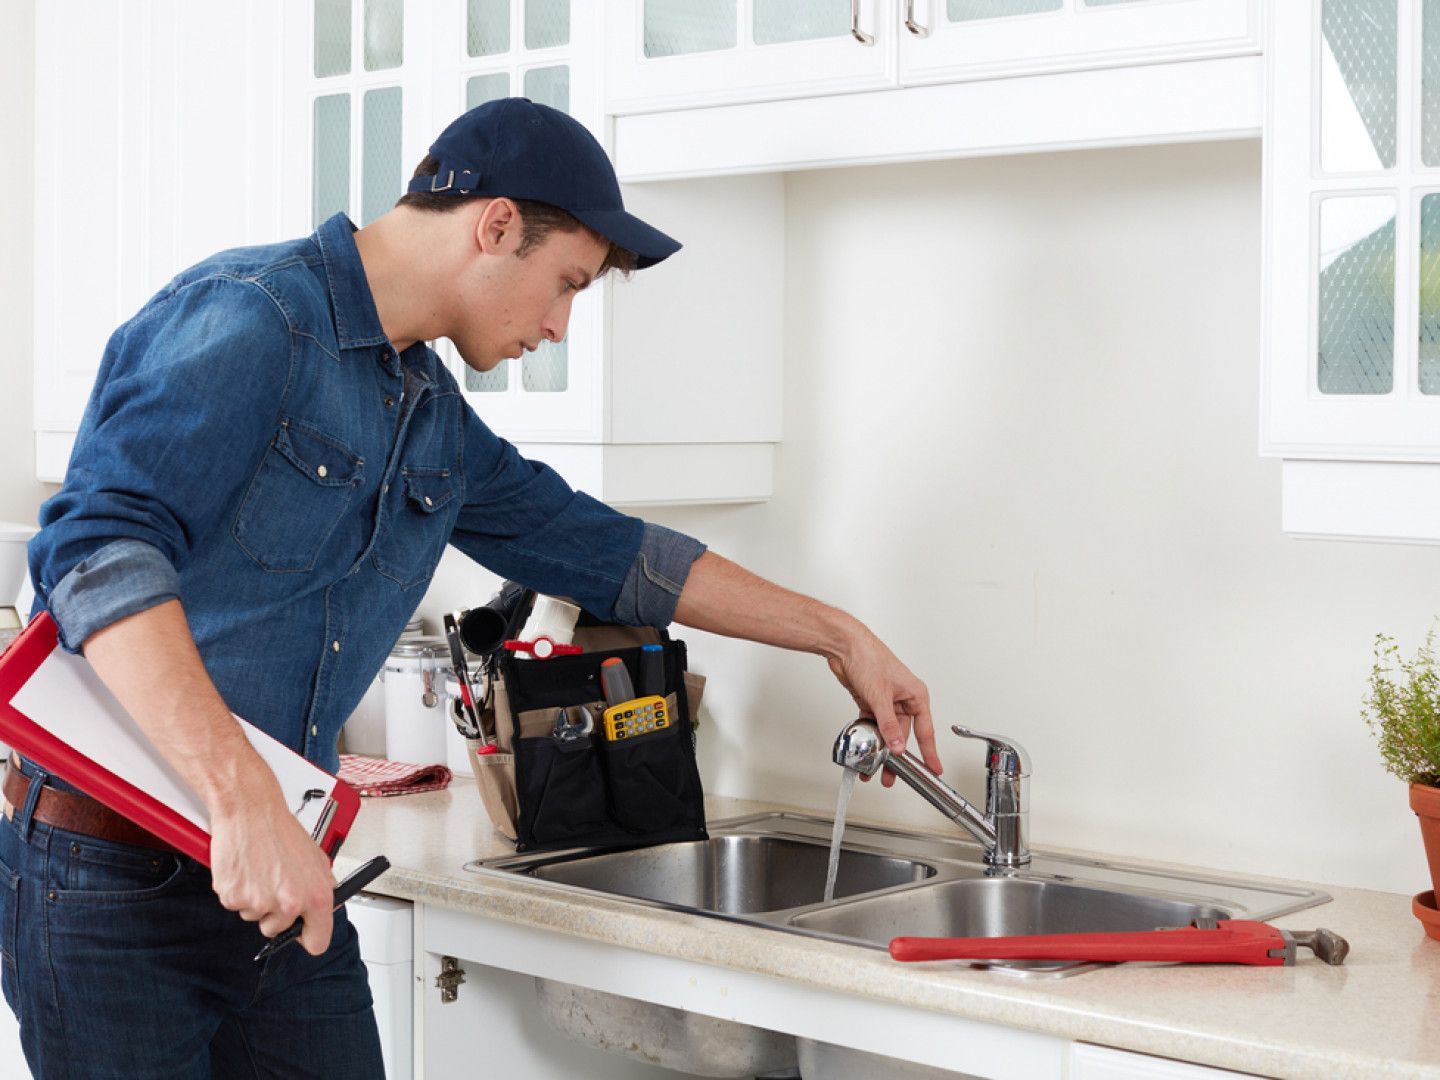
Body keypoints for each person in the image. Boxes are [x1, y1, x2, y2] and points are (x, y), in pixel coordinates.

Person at [4, 98, 939, 1078]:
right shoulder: (254, 319)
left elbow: (611, 554)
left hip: (280, 875)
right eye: (565, 283)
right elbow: (95, 552)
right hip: (110, 878)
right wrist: (243, 803)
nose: (560, 324)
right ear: (495, 225)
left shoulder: (428, 415)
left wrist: (839, 635)